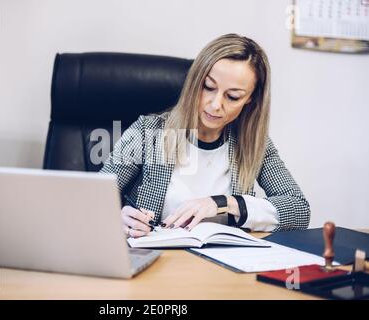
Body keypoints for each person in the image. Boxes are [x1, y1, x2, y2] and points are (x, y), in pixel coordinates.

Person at [100, 33, 310, 238]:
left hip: (224, 266)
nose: (216, 104)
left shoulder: (254, 144)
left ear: (250, 100)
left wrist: (223, 203)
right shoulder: (148, 132)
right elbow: (89, 201)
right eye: (208, 87)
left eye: (232, 96)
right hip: (157, 261)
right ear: (195, 82)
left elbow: (299, 210)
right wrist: (117, 218)